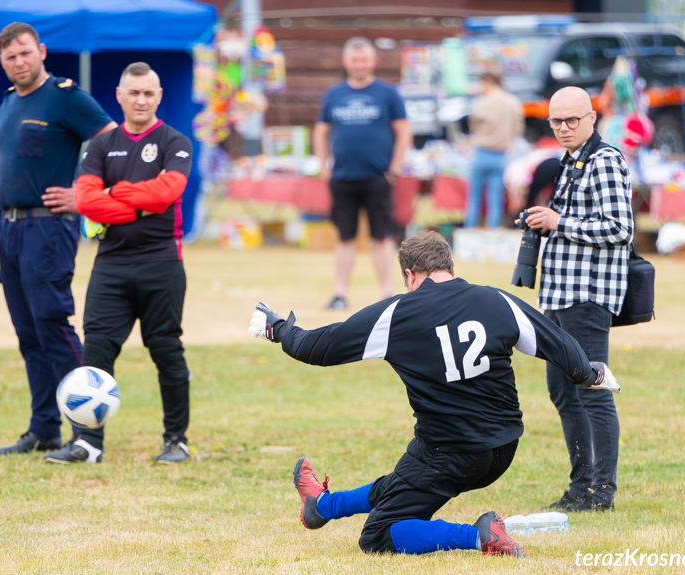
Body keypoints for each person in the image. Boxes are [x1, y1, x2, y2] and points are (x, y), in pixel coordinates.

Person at [248, 230, 620, 557]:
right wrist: (590, 374)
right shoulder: (496, 301)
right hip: (504, 447)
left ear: (410, 275)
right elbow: (561, 347)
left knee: (378, 535)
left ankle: (477, 536)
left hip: (448, 454)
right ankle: (321, 506)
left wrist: (278, 328)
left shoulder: (397, 313)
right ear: (450, 265)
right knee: (404, 481)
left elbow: (318, 348)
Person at [45, 62, 193, 465]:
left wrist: (117, 193)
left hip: (162, 262)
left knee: (166, 351)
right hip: (110, 265)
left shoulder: (175, 142)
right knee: (96, 351)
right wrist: (139, 205)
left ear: (159, 96)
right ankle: (88, 443)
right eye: (134, 92)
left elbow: (169, 190)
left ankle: (175, 440)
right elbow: (86, 200)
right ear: (119, 95)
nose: (141, 99)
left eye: (149, 93)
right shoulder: (99, 146)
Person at [0, 22, 117, 456]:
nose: (19, 62)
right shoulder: (9, 100)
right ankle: (43, 428)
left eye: (25, 53)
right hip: (10, 229)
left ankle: (85, 434)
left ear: (41, 51)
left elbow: (111, 141)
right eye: (10, 56)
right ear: (2, 61)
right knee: (28, 332)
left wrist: (82, 194)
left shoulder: (64, 97)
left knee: (53, 327)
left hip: (47, 229)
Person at [522, 86, 634, 512]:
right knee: (561, 389)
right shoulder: (570, 161)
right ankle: (580, 485)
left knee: (592, 391)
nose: (564, 128)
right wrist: (540, 222)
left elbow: (619, 228)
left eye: (572, 120)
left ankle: (600, 491)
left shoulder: (605, 160)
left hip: (587, 295)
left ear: (592, 118)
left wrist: (559, 221)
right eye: (556, 121)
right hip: (559, 293)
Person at [313, 37, 411, 310]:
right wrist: (323, 167)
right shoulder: (333, 94)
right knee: (345, 237)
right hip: (343, 177)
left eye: (365, 59)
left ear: (373, 61)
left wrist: (394, 168)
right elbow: (321, 132)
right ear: (346, 61)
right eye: (355, 59)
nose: (360, 64)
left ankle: (388, 294)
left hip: (378, 177)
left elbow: (403, 131)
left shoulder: (387, 93)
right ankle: (340, 294)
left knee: (381, 236)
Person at [463, 70, 523, 228]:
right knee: (495, 198)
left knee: (474, 196)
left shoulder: (481, 102)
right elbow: (518, 128)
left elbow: (473, 126)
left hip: (481, 152)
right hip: (502, 154)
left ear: (488, 82)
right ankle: (493, 231)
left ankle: (469, 230)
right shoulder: (513, 102)